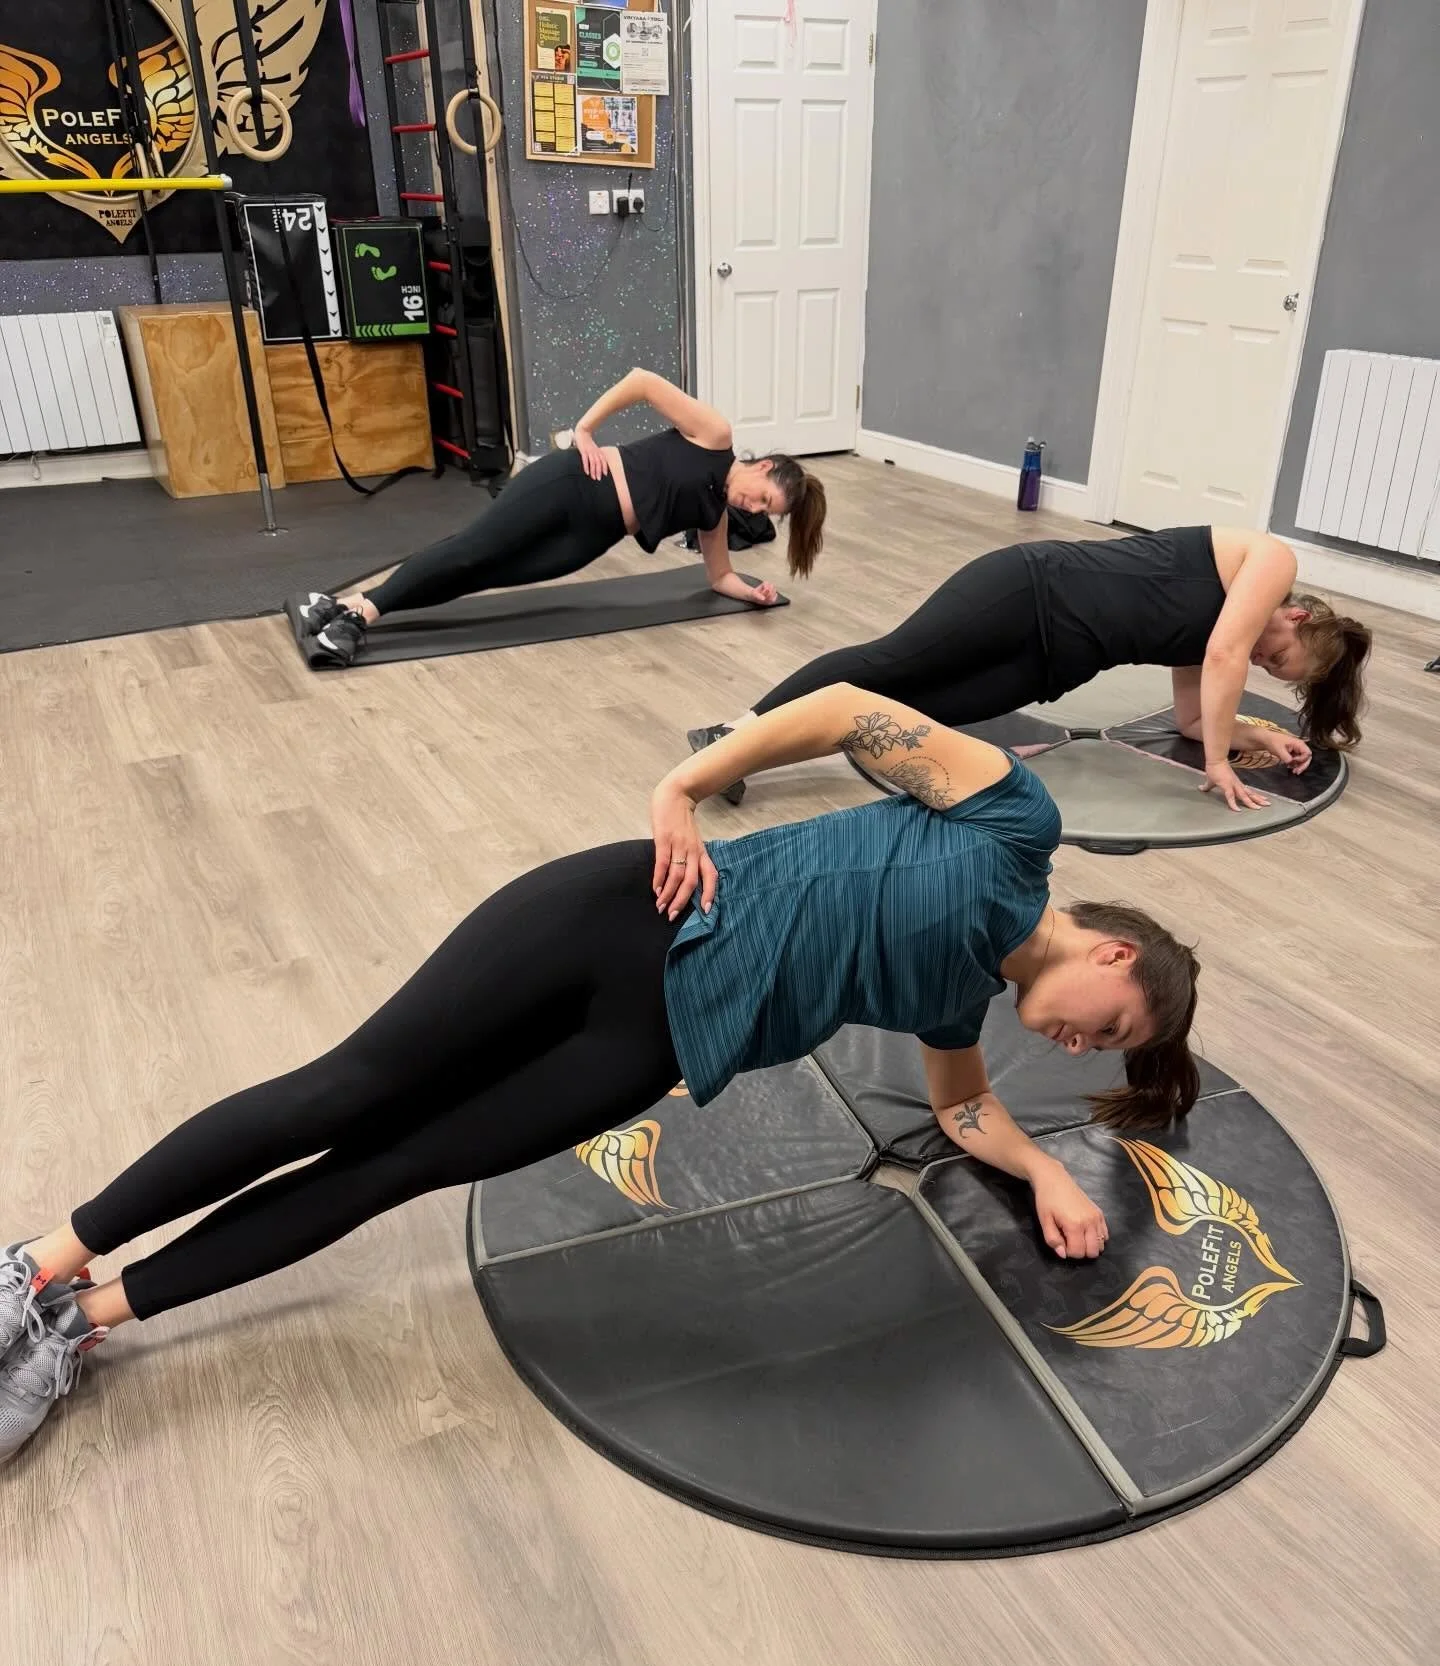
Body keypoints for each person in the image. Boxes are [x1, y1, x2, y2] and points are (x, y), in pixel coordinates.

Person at [0, 683, 1201, 1464]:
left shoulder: (961, 1001)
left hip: (641, 1052)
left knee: (394, 1169)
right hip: (620, 915)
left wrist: (1042, 1172)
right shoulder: (1014, 827)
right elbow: (843, 712)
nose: (1081, 1047)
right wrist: (681, 787)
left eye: (1101, 1055)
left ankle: (82, 1324)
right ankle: (37, 1263)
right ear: (1110, 951)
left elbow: (963, 1104)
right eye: (1110, 1025)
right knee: (347, 1091)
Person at [688, 525, 1372, 808]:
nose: (1260, 658)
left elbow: (1194, 721)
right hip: (1029, 589)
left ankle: (748, 753)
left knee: (910, 716)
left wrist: (1254, 736)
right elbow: (1228, 657)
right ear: (1298, 615)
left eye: (1270, 670)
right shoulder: (1273, 560)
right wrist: (1221, 768)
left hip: (1053, 662)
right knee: (891, 665)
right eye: (1276, 654)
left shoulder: (1220, 634)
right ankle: (730, 735)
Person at [292, 367, 828, 665]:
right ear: (765, 465)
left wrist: (752, 594)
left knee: (482, 573)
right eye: (763, 497)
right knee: (470, 550)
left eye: (765, 512)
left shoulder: (714, 515)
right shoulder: (715, 435)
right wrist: (586, 430)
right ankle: (359, 618)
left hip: (590, 537)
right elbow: (642, 382)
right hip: (573, 484)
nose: (753, 508)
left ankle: (337, 605)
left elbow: (720, 575)